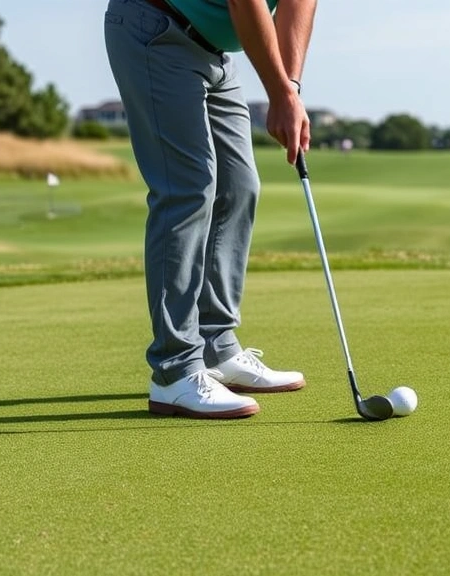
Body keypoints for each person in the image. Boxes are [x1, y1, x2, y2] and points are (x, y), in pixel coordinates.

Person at [104, 0, 318, 418]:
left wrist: (289, 87)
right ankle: (174, 369)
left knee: (239, 185)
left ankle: (216, 347)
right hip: (156, 29)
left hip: (214, 52)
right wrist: (276, 92)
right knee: (187, 191)